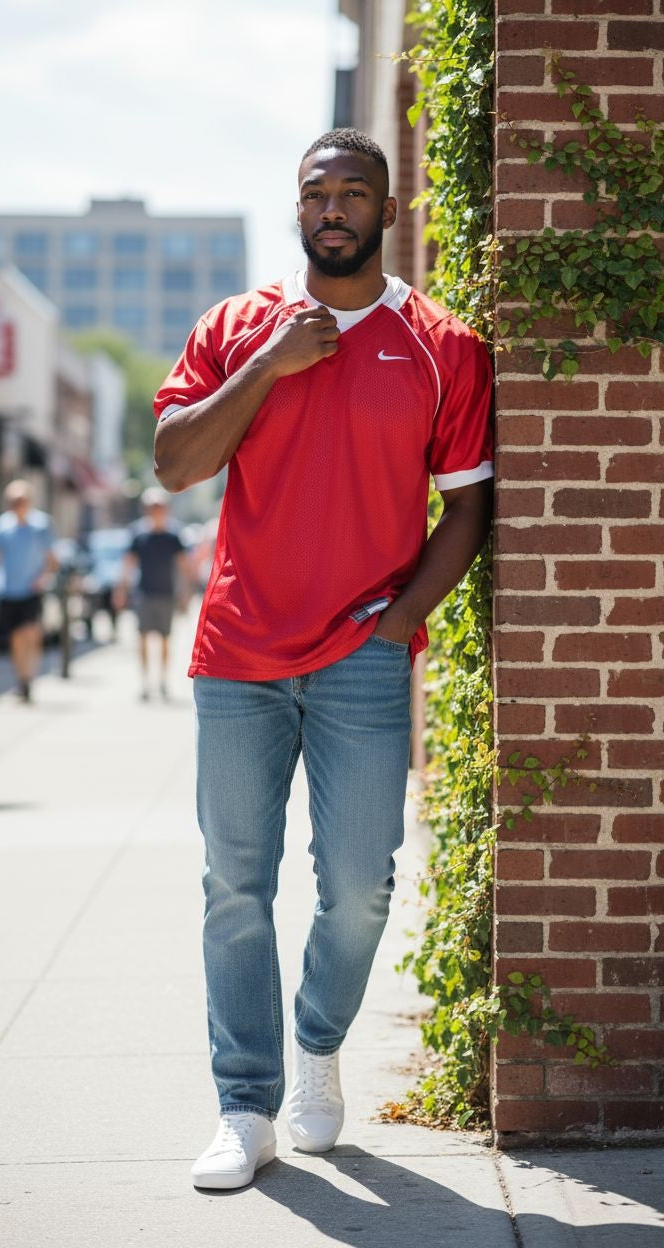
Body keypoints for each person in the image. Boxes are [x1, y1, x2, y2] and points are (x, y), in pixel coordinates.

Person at [153, 128, 493, 1190]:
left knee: (358, 884)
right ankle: (243, 1106)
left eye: (356, 192)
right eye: (317, 193)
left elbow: (469, 506)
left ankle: (314, 1045)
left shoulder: (442, 343)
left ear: (390, 212)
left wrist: (399, 624)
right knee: (233, 884)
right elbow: (174, 464)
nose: (335, 208)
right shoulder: (236, 327)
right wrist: (269, 363)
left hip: (361, 656)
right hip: (239, 653)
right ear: (296, 210)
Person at [0, 479, 58, 703]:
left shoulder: (41, 525)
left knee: (31, 633)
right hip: (10, 590)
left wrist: (43, 578)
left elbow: (53, 560)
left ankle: (30, 677)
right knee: (16, 636)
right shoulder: (1, 526)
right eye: (12, 501)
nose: (16, 505)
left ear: (29, 501)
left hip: (32, 590)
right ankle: (21, 678)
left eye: (20, 500)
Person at [114, 487, 187, 701]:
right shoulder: (138, 536)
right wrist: (121, 590)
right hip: (144, 594)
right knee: (143, 638)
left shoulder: (173, 537)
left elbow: (183, 567)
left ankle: (163, 681)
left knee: (165, 639)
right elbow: (127, 565)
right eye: (153, 507)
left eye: (160, 507)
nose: (157, 511)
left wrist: (185, 594)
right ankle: (145, 682)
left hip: (166, 594)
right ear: (146, 510)